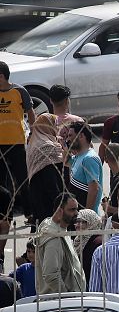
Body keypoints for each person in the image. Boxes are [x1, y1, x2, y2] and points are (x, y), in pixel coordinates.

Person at [0, 61, 33, 222]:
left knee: (22, 179)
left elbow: (31, 113)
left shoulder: (20, 91)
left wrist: (33, 132)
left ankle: (30, 213)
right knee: (1, 182)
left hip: (17, 142)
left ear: (2, 76)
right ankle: (4, 214)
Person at [35, 194, 86, 294]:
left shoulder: (59, 228)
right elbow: (51, 275)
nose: (76, 213)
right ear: (59, 211)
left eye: (77, 209)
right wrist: (65, 295)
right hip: (61, 304)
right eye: (71, 210)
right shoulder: (54, 238)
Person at [26, 114, 65, 228]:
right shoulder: (47, 147)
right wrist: (61, 205)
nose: (57, 128)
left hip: (36, 196)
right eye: (55, 125)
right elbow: (50, 182)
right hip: (49, 201)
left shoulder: (33, 144)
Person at [66, 121, 103, 213]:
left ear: (81, 136)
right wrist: (65, 146)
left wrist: (86, 215)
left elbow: (93, 189)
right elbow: (66, 162)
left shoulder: (89, 159)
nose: (68, 139)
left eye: (70, 135)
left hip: (84, 220)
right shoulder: (79, 156)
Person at [74, 209, 103, 284]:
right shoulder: (78, 240)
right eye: (76, 221)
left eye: (82, 222)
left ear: (92, 222)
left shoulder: (98, 242)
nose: (77, 225)